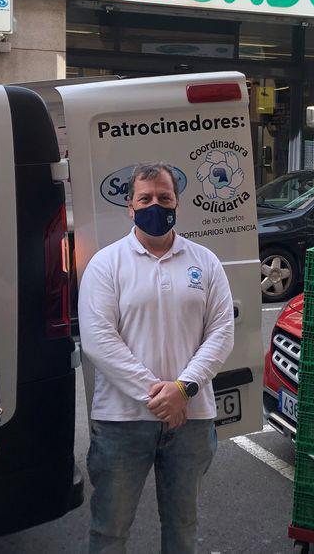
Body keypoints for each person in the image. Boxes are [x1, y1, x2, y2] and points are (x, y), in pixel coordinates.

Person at [79, 162, 235, 554]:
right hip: (121, 421)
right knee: (109, 531)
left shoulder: (206, 262)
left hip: (191, 420)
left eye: (164, 197)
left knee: (182, 528)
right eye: (145, 198)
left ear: (177, 203)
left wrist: (184, 389)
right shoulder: (106, 263)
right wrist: (162, 396)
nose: (155, 205)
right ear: (129, 207)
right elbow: (99, 341)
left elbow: (221, 332)